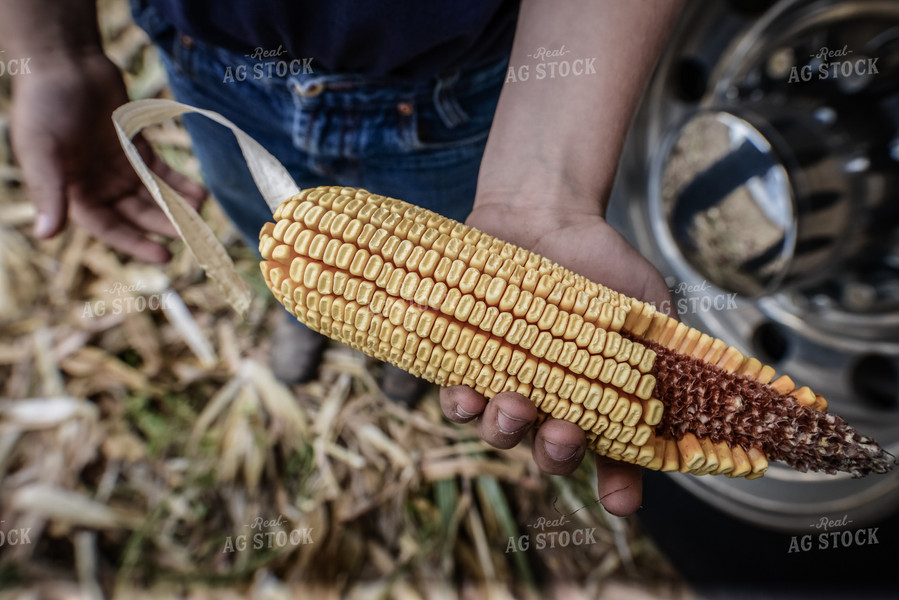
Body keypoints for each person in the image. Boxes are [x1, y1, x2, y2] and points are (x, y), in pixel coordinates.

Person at [0, 0, 681, 517]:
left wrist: (548, 190)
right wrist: (54, 48)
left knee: (444, 292)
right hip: (214, 70)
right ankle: (314, 315)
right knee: (261, 227)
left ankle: (406, 346)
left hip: (455, 90)